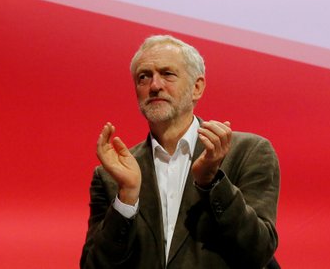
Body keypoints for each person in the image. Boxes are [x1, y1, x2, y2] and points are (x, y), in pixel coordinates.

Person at [80, 35, 280, 269]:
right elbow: (93, 266)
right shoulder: (111, 175)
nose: (154, 86)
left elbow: (259, 250)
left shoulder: (248, 152)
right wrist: (127, 197)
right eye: (144, 77)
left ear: (197, 87)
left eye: (167, 74)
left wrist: (212, 182)